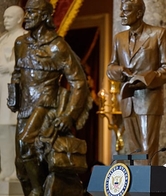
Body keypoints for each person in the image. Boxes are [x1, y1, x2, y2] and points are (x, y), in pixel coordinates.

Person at [7, 0, 91, 195]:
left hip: (46, 107)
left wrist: (69, 115)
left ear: (45, 16)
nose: (27, 17)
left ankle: (38, 191)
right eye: (26, 13)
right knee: (21, 166)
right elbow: (17, 72)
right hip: (25, 108)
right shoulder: (21, 43)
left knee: (27, 146)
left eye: (32, 13)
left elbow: (79, 81)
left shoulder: (56, 46)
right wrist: (14, 95)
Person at [107, 0, 166, 165]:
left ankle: (148, 189)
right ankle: (137, 189)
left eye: (125, 11)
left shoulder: (158, 34)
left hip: (148, 99)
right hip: (127, 99)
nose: (121, 15)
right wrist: (120, 70)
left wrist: (148, 78)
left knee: (147, 151)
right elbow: (110, 67)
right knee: (134, 151)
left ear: (138, 13)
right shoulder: (119, 38)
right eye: (121, 11)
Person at [0, 5, 27, 181]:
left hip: (16, 89)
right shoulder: (2, 38)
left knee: (16, 130)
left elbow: (27, 62)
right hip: (2, 88)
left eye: (9, 17)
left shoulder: (25, 38)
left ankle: (18, 171)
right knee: (3, 130)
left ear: (19, 19)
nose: (5, 20)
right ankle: (6, 168)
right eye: (4, 17)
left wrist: (9, 67)